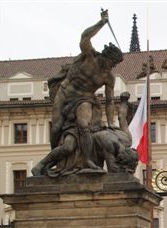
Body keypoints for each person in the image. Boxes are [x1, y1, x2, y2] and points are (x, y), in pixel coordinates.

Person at [34, 10, 124, 176]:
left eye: (114, 65)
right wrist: (101, 23)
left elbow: (110, 101)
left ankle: (88, 160)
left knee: (83, 125)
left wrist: (111, 122)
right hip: (65, 92)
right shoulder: (88, 56)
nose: (111, 67)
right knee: (56, 128)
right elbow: (85, 37)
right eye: (111, 63)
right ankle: (55, 160)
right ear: (105, 56)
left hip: (85, 98)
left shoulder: (108, 77)